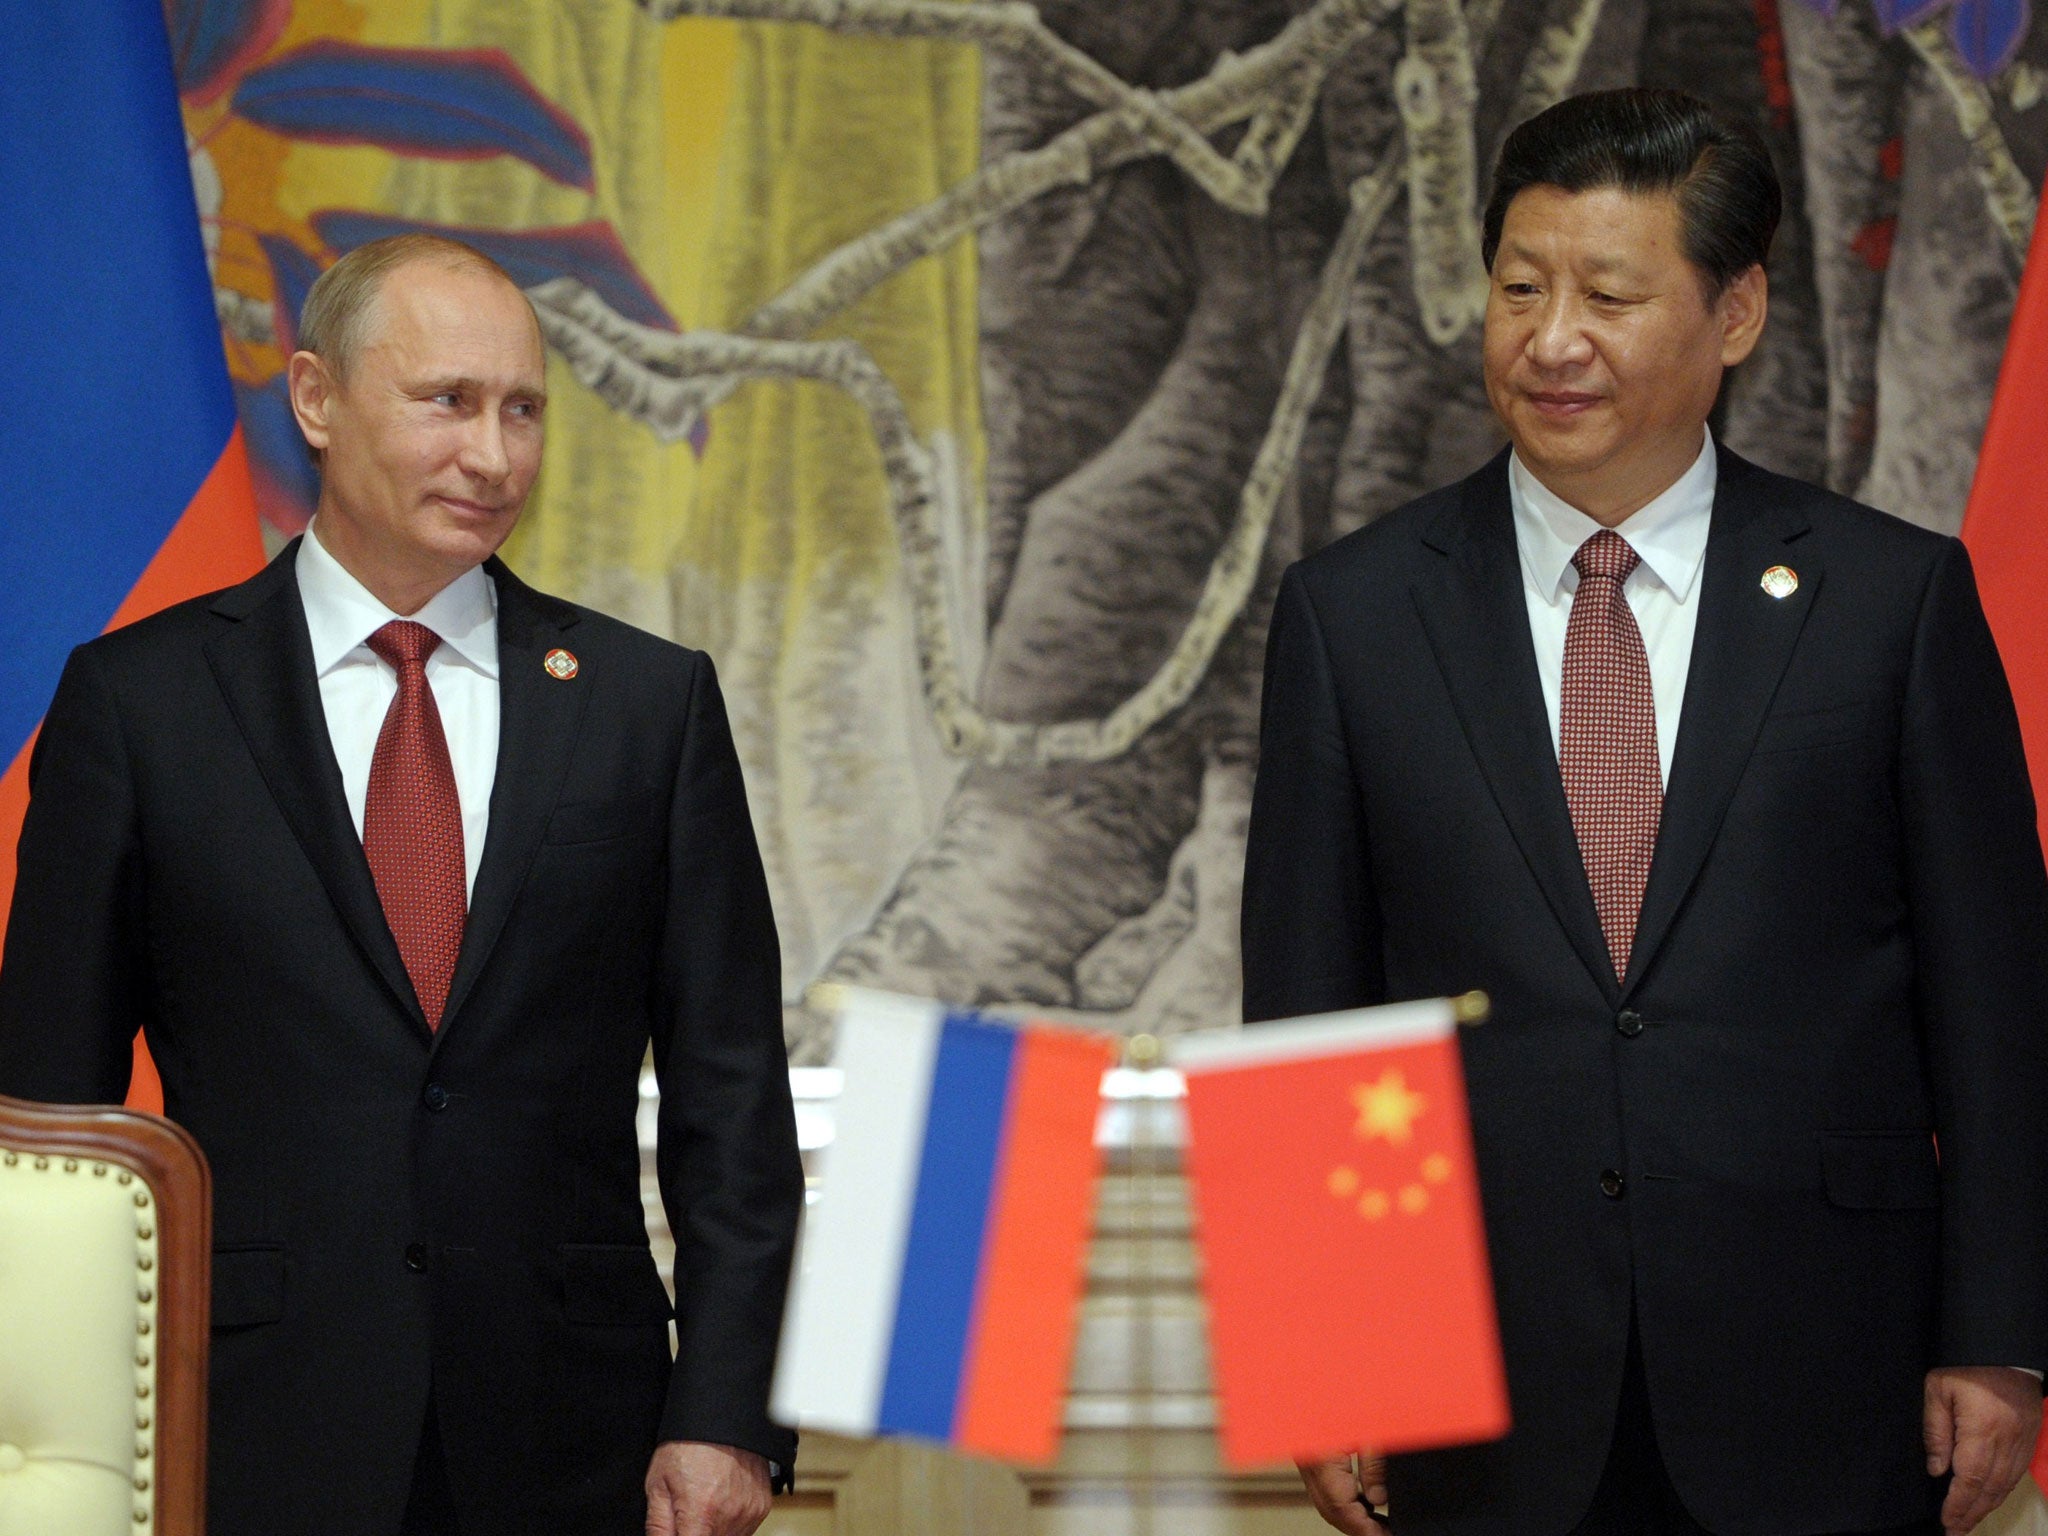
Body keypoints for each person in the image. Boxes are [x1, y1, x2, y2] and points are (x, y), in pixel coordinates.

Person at [1242, 89, 2047, 1536]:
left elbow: (2000, 1010)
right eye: (1520, 288)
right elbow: (1309, 1016)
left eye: (1609, 294)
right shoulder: (1354, 617)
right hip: (1476, 1387)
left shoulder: (1888, 603)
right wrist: (1326, 1358)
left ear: (1734, 316)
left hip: (1828, 1377)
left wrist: (2000, 1333)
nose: (1553, 340)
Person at [0, 234, 802, 1536]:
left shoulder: (648, 709)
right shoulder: (139, 706)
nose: (494, 456)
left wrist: (726, 1414)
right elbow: (46, 1126)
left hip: (579, 1438)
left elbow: (732, 1104)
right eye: (449, 402)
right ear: (316, 399)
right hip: (244, 1429)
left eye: (523, 410)